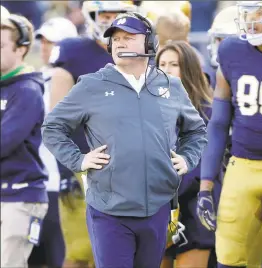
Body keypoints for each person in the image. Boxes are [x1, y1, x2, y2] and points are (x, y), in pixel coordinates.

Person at [42, 12, 207, 268]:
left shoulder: (170, 86)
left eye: (128, 37)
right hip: (109, 209)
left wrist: (187, 158)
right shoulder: (91, 85)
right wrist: (79, 159)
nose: (120, 42)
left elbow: (196, 130)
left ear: (149, 43)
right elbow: (52, 127)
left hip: (158, 207)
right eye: (116, 38)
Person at [48, 2, 136, 267]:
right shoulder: (73, 51)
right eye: (104, 15)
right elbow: (56, 120)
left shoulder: (139, 53)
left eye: (114, 15)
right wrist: (68, 165)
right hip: (83, 163)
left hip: (128, 165)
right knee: (80, 251)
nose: (109, 20)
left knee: (118, 249)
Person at [197, 1, 262, 268]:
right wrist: (205, 186)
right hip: (242, 165)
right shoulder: (231, 50)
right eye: (247, 12)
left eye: (261, 13)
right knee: (229, 257)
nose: (251, 20)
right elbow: (219, 122)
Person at [156, 41, 218, 268]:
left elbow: (201, 165)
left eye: (174, 64)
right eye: (162, 64)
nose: (167, 69)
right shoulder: (146, 108)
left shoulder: (208, 110)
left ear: (189, 68)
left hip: (195, 204)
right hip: (158, 204)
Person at [28, 17, 78, 268]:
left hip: (63, 186)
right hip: (34, 184)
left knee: (64, 257)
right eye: (43, 42)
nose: (46, 48)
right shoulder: (31, 81)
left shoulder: (80, 82)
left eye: (53, 42)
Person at [0, 10, 48, 268]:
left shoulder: (27, 91)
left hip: (21, 196)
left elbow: (4, 141)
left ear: (21, 49)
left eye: (0, 45)